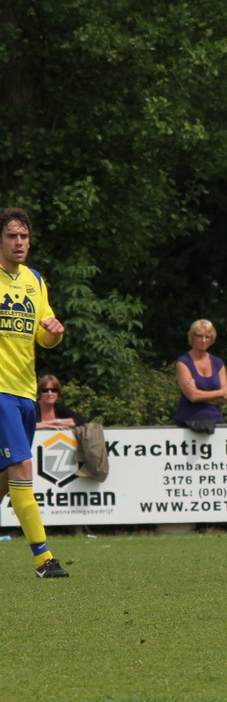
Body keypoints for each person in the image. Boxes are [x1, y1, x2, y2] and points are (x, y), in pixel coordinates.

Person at [0, 207, 69, 578]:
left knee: (5, 479)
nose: (19, 242)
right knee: (23, 465)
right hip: (0, 392)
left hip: (25, 391)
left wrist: (54, 332)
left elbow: (44, 337)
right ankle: (44, 559)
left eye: (24, 236)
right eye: (12, 236)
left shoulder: (35, 280)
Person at [175, 319, 227, 432]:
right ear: (193, 337)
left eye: (207, 336)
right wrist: (220, 392)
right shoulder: (183, 362)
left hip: (216, 422)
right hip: (189, 423)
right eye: (200, 336)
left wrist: (199, 395)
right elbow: (193, 396)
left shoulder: (218, 363)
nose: (203, 340)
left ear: (211, 339)